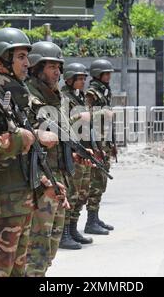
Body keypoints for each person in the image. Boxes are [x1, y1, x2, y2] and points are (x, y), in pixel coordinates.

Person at [0, 28, 60, 277]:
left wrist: (42, 182)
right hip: (1, 206)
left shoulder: (13, 99)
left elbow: (20, 157)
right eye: (20, 57)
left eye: (26, 57)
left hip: (21, 202)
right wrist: (21, 138)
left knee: (19, 272)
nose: (27, 63)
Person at [24, 41, 90, 276]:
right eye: (52, 67)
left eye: (58, 67)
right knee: (35, 252)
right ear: (36, 68)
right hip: (40, 183)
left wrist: (74, 152)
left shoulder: (56, 98)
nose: (57, 72)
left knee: (49, 250)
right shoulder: (26, 97)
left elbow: (61, 133)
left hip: (59, 181)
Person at [59, 62, 94, 250]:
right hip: (72, 149)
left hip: (83, 148)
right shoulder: (64, 98)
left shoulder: (79, 97)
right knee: (71, 193)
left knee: (82, 193)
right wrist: (79, 118)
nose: (82, 82)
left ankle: (73, 229)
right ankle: (64, 233)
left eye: (83, 79)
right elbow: (61, 124)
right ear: (69, 79)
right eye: (79, 79)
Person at [84, 59, 116, 235]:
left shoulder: (103, 92)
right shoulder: (92, 94)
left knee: (101, 181)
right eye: (106, 73)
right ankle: (90, 221)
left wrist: (112, 144)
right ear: (98, 74)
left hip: (105, 142)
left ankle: (95, 217)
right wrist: (103, 113)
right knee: (96, 182)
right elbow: (84, 114)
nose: (109, 76)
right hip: (96, 142)